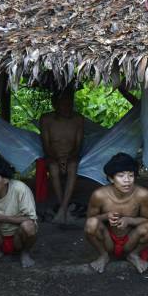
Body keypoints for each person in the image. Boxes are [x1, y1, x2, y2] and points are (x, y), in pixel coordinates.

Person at [84, 153, 148, 274]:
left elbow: (147, 220)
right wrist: (106, 216)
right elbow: (89, 221)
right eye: (121, 176)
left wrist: (129, 220)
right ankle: (104, 255)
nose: (127, 180)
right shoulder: (99, 195)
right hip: (108, 241)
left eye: (131, 175)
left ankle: (133, 255)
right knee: (91, 224)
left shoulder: (142, 194)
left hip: (130, 240)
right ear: (111, 178)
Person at [39, 88, 84, 224]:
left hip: (71, 155)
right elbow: (46, 144)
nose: (67, 107)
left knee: (73, 166)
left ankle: (62, 209)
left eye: (69, 103)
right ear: (55, 105)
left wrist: (70, 156)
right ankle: (63, 206)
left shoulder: (78, 119)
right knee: (53, 168)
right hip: (53, 155)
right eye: (63, 104)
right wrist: (57, 158)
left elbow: (78, 144)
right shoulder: (46, 119)